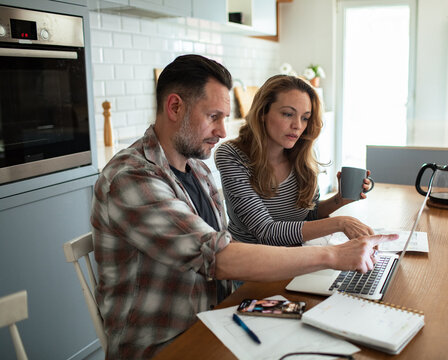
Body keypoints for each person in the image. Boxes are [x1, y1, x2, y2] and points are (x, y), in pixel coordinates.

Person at [91, 54, 397, 359]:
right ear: (174, 107)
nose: (223, 131)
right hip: (167, 341)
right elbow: (220, 257)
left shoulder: (197, 170)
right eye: (213, 116)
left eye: (225, 118)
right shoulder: (131, 178)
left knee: (336, 340)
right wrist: (333, 254)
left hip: (222, 315)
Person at [215, 75, 373, 246]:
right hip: (253, 265)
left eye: (305, 118)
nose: (297, 125)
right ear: (262, 113)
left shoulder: (300, 155)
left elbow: (307, 216)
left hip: (297, 258)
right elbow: (266, 231)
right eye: (288, 114)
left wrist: (340, 199)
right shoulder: (231, 155)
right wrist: (340, 223)